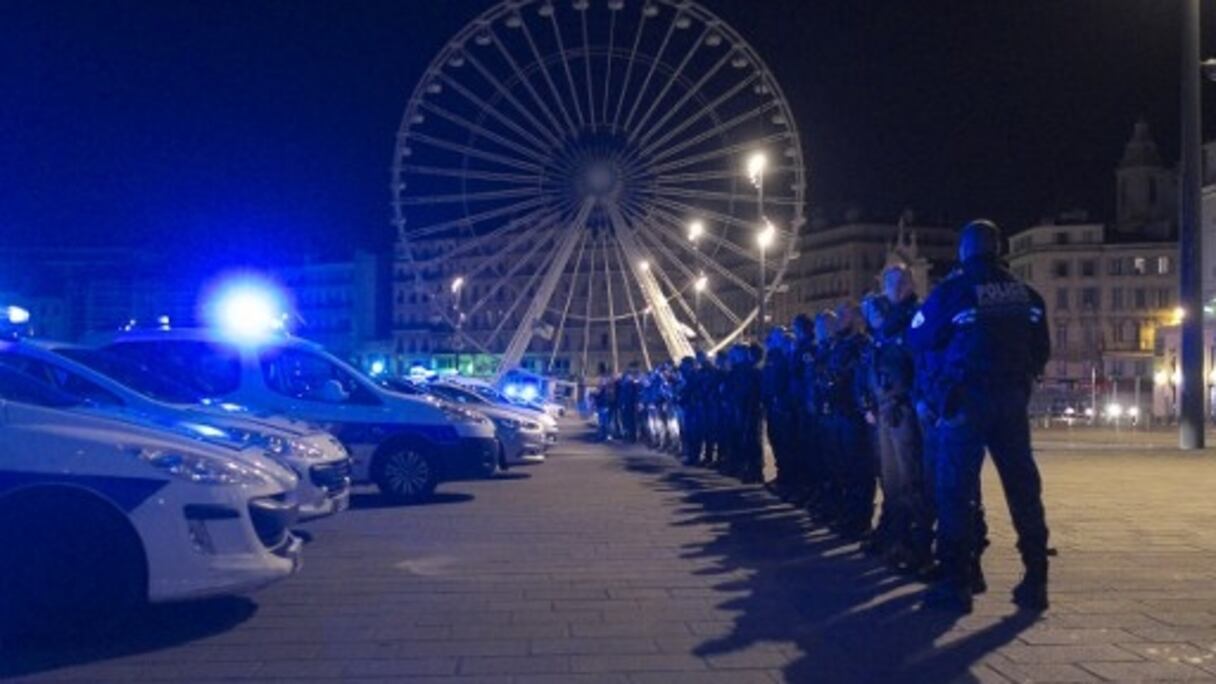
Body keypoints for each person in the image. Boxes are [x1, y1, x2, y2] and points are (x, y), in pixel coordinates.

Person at [908, 219, 1051, 614]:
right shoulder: (1027, 294)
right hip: (1011, 399)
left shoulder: (955, 291)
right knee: (1023, 487)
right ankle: (1035, 577)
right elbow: (1042, 347)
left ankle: (957, 580)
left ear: (964, 251)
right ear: (999, 247)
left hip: (967, 399)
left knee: (955, 490)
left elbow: (917, 337)